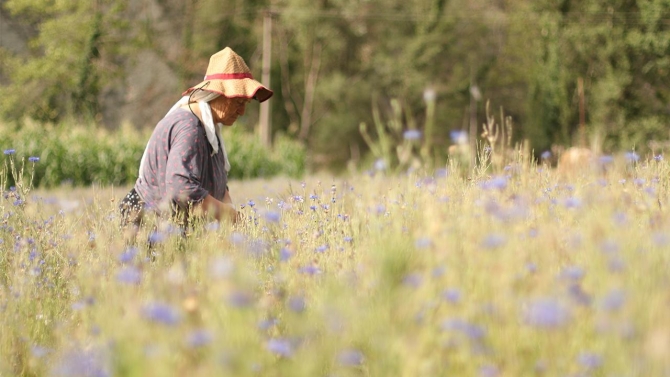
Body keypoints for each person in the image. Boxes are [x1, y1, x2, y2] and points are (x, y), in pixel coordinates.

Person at [119, 47, 273, 228]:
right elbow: (181, 188)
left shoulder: (209, 128)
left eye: (245, 103)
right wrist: (229, 215)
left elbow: (219, 185)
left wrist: (232, 217)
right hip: (147, 224)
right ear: (216, 94)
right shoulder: (189, 127)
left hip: (169, 226)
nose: (242, 111)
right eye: (238, 102)